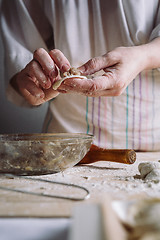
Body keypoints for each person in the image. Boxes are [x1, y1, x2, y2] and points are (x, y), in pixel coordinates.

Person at [1, 0, 160, 151]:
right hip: (64, 145)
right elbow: (19, 52)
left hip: (150, 142)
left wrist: (143, 57)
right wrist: (30, 82)